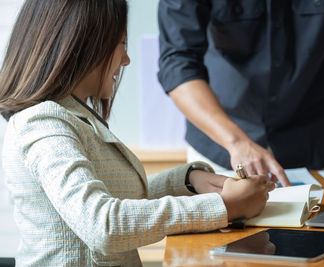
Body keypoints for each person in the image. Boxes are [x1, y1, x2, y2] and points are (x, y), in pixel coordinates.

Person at [0, 1, 275, 266]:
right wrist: (223, 207)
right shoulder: (44, 124)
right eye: (121, 45)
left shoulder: (73, 116)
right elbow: (103, 225)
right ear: (83, 44)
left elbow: (118, 196)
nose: (126, 59)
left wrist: (189, 182)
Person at [157, 0, 324, 186]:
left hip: (315, 146)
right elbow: (177, 64)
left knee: (322, 249)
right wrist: (237, 142)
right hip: (222, 149)